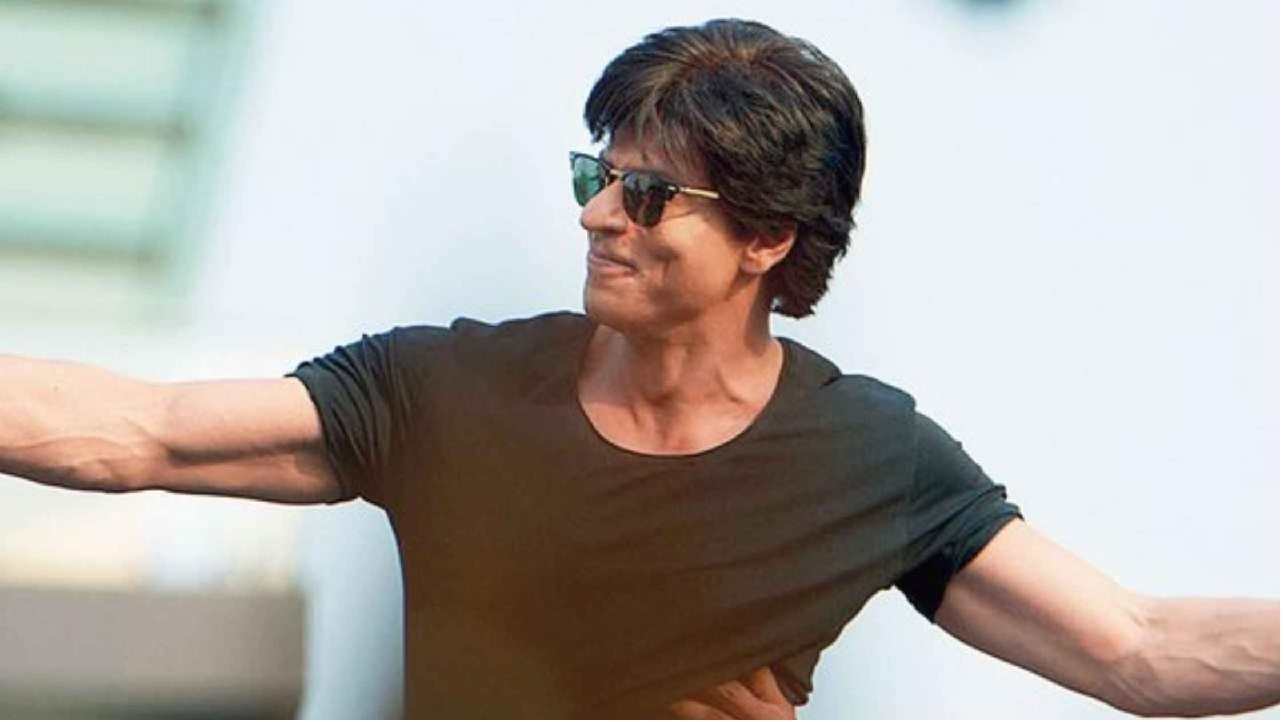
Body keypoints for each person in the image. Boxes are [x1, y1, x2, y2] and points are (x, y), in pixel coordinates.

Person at [0, 18, 1277, 720]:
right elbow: (139, 429)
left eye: (649, 193)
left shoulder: (870, 457)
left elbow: (1139, 648)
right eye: (595, 175)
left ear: (767, 239)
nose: (598, 214)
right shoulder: (444, 394)